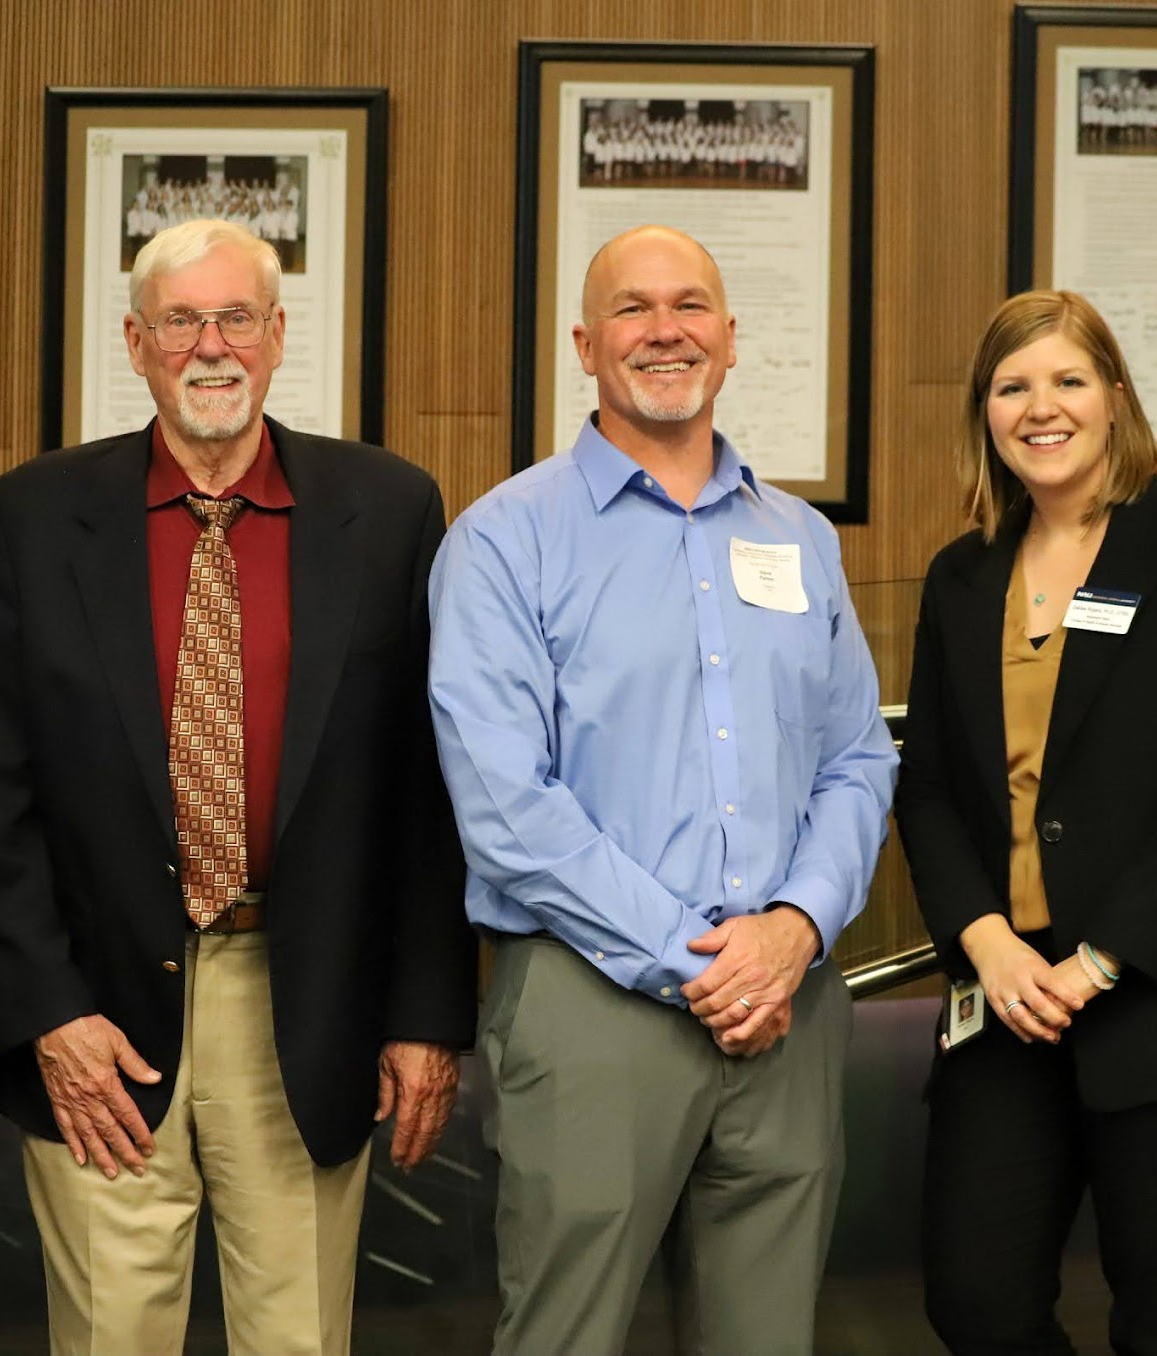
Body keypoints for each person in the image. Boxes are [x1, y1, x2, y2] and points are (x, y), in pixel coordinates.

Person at [0, 219, 474, 1356]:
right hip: (96, 1016)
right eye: (181, 322)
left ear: (279, 335)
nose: (211, 346)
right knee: (111, 1336)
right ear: (137, 345)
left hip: (306, 1004)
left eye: (235, 317)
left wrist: (425, 1012)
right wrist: (46, 1007)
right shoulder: (37, 515)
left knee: (298, 1338)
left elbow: (429, 793)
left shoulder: (389, 511)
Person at [428, 224, 898, 1355]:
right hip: (594, 1003)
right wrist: (702, 961)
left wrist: (791, 932)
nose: (664, 330)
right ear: (587, 345)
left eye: (690, 305)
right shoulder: (504, 541)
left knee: (768, 1338)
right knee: (565, 1337)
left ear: (730, 339)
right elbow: (505, 805)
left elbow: (857, 760)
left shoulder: (801, 539)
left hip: (788, 1009)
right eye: (632, 310)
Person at [897, 290, 1157, 1356]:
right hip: (1009, 998)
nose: (1042, 407)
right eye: (1012, 386)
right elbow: (933, 784)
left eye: (1068, 380)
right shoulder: (962, 575)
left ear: (1115, 398)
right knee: (976, 1302)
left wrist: (1103, 960)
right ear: (985, 414)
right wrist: (984, 940)